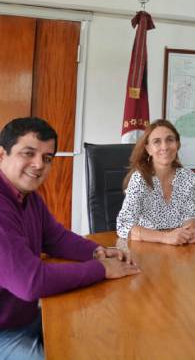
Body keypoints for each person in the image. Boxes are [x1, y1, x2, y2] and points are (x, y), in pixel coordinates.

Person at [0, 117, 140, 360]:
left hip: (27, 317)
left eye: (47, 158)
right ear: (2, 154)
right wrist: (101, 269)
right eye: (28, 153)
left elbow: (55, 237)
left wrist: (97, 251)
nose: (38, 165)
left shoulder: (29, 197)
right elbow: (31, 282)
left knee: (100, 340)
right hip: (5, 332)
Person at [116, 119, 195, 245]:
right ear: (148, 149)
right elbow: (123, 225)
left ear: (177, 144)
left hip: (178, 248)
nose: (164, 147)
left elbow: (189, 214)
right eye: (157, 142)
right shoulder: (140, 179)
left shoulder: (187, 177)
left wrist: (190, 230)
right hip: (146, 247)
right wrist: (165, 237)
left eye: (170, 140)